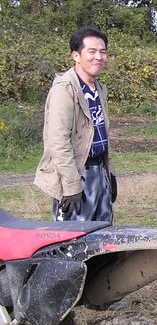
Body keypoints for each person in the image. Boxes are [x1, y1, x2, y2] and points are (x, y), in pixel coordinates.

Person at [34, 27, 116, 222]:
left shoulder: (99, 89)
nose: (99, 57)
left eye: (103, 52)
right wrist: (71, 186)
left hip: (99, 171)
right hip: (77, 173)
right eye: (92, 51)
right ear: (76, 56)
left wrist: (110, 174)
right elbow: (58, 142)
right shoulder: (65, 89)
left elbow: (101, 134)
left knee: (103, 232)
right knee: (74, 237)